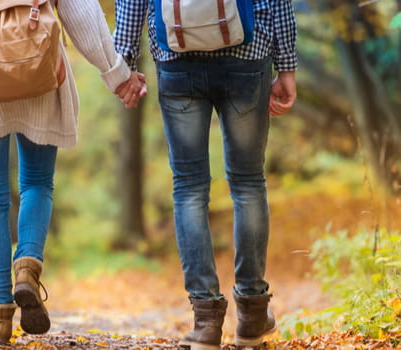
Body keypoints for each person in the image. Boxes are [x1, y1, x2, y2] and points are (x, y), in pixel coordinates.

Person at [0, 0, 146, 344]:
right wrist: (118, 75)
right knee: (37, 184)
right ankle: (27, 266)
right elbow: (84, 18)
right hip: (43, 79)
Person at [114, 0, 297, 349]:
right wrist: (286, 67)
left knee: (188, 189)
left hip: (177, 59)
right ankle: (253, 313)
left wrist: (123, 66)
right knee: (247, 184)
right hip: (247, 53)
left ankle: (206, 323)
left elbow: (131, 3)